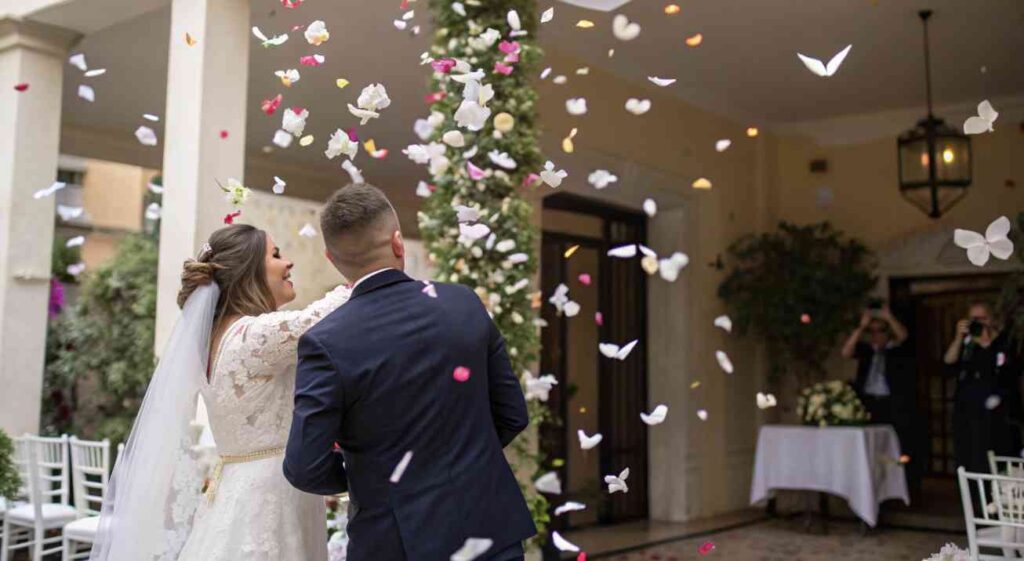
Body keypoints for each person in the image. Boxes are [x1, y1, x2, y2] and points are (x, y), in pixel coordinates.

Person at [284, 184, 536, 561]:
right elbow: (513, 413)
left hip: (395, 540)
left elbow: (304, 467)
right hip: (488, 526)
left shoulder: (324, 342)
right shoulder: (464, 303)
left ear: (333, 259)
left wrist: (372, 477)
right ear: (398, 243)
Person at [90, 224, 351, 561]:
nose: (289, 263)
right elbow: (326, 315)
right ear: (248, 272)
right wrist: (366, 268)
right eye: (275, 254)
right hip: (269, 499)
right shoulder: (251, 335)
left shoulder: (214, 339)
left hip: (238, 488)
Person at [943, 301, 1021, 475]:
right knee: (969, 461)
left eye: (982, 318)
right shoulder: (967, 342)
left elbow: (1010, 372)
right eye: (973, 318)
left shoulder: (1006, 341)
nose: (977, 322)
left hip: (999, 417)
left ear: (992, 319)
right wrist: (958, 338)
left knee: (997, 463)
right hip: (968, 414)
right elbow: (948, 362)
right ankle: (973, 498)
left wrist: (986, 341)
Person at [841, 306, 910, 426]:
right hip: (867, 402)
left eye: (881, 330)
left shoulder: (895, 350)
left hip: (890, 403)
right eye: (872, 331)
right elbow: (845, 352)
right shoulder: (867, 350)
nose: (876, 334)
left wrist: (889, 318)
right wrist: (861, 327)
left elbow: (903, 337)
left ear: (888, 332)